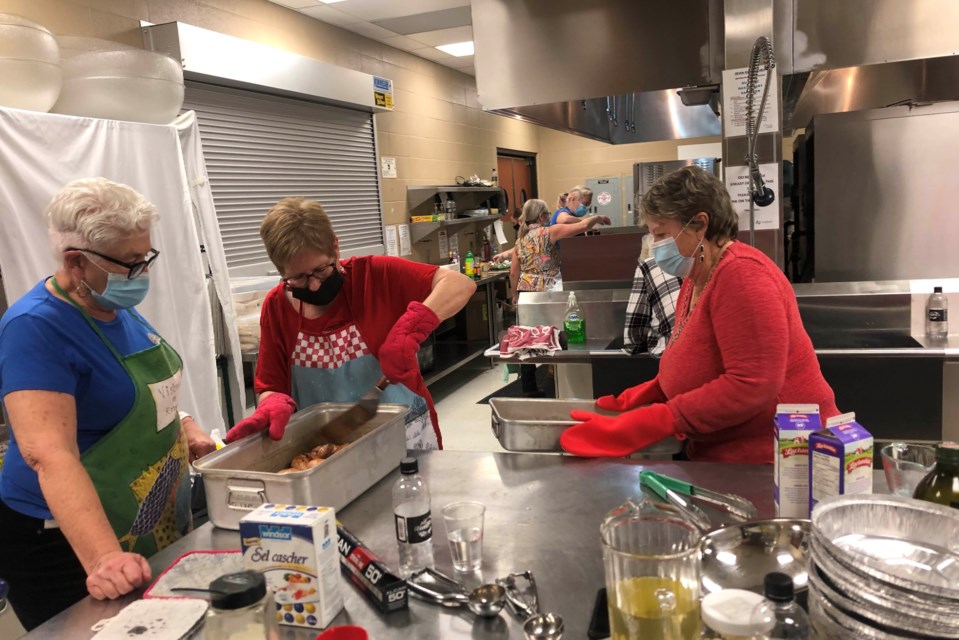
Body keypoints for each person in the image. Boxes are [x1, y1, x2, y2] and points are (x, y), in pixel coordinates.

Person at [0, 178, 216, 629]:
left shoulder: (112, 305)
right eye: (131, 263)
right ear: (75, 261)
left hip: (136, 515)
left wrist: (187, 425)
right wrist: (103, 558)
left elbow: (134, 391)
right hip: (63, 540)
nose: (142, 274)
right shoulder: (35, 326)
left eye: (146, 257)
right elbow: (48, 454)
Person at [560, 166, 840, 463]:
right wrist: (654, 391)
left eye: (662, 234)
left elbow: (752, 384)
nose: (655, 247)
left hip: (779, 460)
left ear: (700, 225)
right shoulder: (696, 279)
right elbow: (701, 356)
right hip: (725, 454)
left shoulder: (742, 275)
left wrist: (659, 419)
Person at [225, 197, 476, 449]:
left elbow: (459, 284)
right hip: (326, 448)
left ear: (335, 247)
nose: (313, 285)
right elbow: (271, 384)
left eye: (321, 269)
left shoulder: (375, 276)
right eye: (298, 278)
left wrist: (411, 329)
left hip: (404, 436)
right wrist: (272, 403)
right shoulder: (277, 306)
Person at [510, 198, 608, 396]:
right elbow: (581, 226)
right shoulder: (549, 232)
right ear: (542, 216)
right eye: (546, 214)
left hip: (526, 293)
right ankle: (557, 382)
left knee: (527, 340)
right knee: (556, 335)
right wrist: (597, 217)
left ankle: (529, 389)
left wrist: (514, 295)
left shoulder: (520, 240)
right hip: (550, 291)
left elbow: (513, 272)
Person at [623, 252, 682, 357]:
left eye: (661, 235)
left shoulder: (649, 266)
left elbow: (633, 336)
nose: (656, 242)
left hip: (669, 358)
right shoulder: (708, 265)